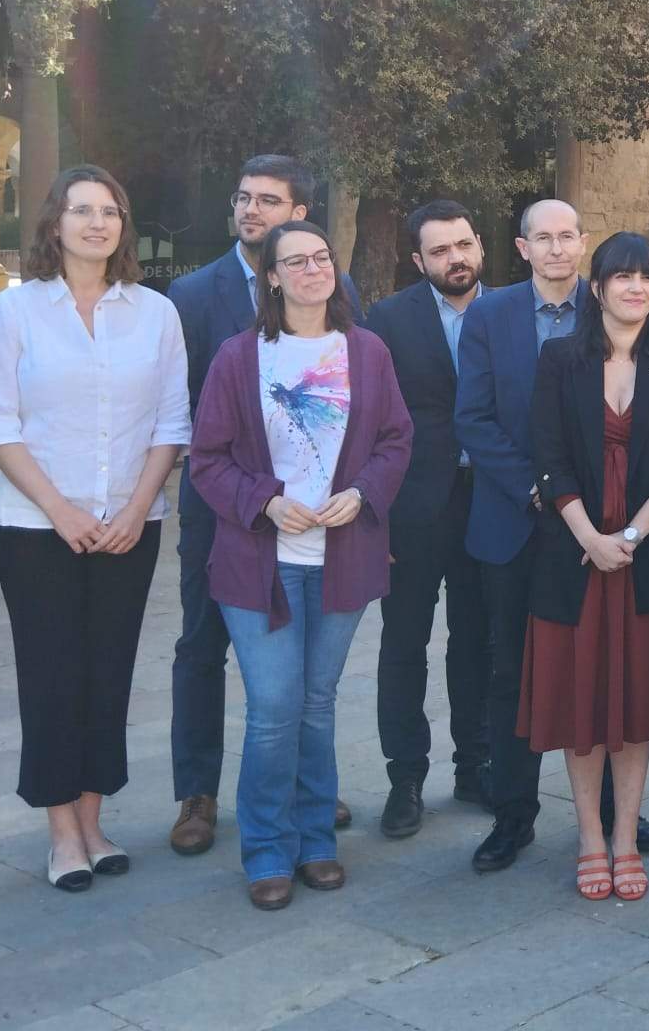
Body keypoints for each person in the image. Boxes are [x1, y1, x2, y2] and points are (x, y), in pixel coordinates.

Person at [0, 165, 190, 891]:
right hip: (36, 530)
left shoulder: (156, 314)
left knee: (108, 675)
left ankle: (95, 823)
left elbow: (171, 425)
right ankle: (61, 832)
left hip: (131, 528)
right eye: (81, 210)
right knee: (52, 677)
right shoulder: (16, 312)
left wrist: (134, 510)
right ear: (54, 224)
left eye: (110, 211)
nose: (97, 223)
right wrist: (62, 511)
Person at [188, 220, 411, 910]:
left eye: (322, 257)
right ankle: (265, 848)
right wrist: (266, 503)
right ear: (273, 277)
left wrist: (363, 493)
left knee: (317, 705)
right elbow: (207, 460)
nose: (313, 269)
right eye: (296, 260)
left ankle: (316, 840)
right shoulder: (240, 356)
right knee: (276, 707)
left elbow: (397, 439)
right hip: (263, 561)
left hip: (342, 559)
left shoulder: (367, 352)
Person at [455, 198, 649, 872]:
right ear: (520, 248)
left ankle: (610, 814)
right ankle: (513, 815)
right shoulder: (488, 317)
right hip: (517, 523)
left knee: (603, 667)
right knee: (513, 671)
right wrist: (539, 488)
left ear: (582, 244)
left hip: (601, 529)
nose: (555, 248)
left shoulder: (613, 309)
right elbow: (475, 419)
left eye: (566, 236)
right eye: (541, 238)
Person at [166, 155, 362, 855]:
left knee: (303, 686)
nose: (251, 209)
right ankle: (198, 793)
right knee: (202, 646)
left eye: (269, 200)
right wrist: (255, 498)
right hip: (225, 513)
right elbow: (191, 415)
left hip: (321, 529)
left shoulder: (341, 293)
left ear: (300, 214)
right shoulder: (193, 295)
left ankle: (305, 790)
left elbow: (358, 415)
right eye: (243, 197)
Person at [522, 232, 649, 901]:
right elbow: (548, 456)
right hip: (572, 557)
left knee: (634, 704)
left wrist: (626, 535)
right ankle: (590, 840)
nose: (636, 287)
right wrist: (590, 537)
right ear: (595, 287)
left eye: (647, 277)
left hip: (647, 557)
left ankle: (626, 837)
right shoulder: (558, 359)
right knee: (581, 704)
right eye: (622, 276)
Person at [364, 200, 494, 838]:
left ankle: (475, 765)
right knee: (403, 644)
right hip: (412, 509)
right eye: (440, 251)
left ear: (481, 246)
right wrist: (375, 517)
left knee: (478, 643)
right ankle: (406, 777)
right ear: (419, 261)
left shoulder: (511, 311)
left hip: (492, 505)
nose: (456, 258)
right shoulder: (388, 319)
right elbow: (370, 423)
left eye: (463, 244)